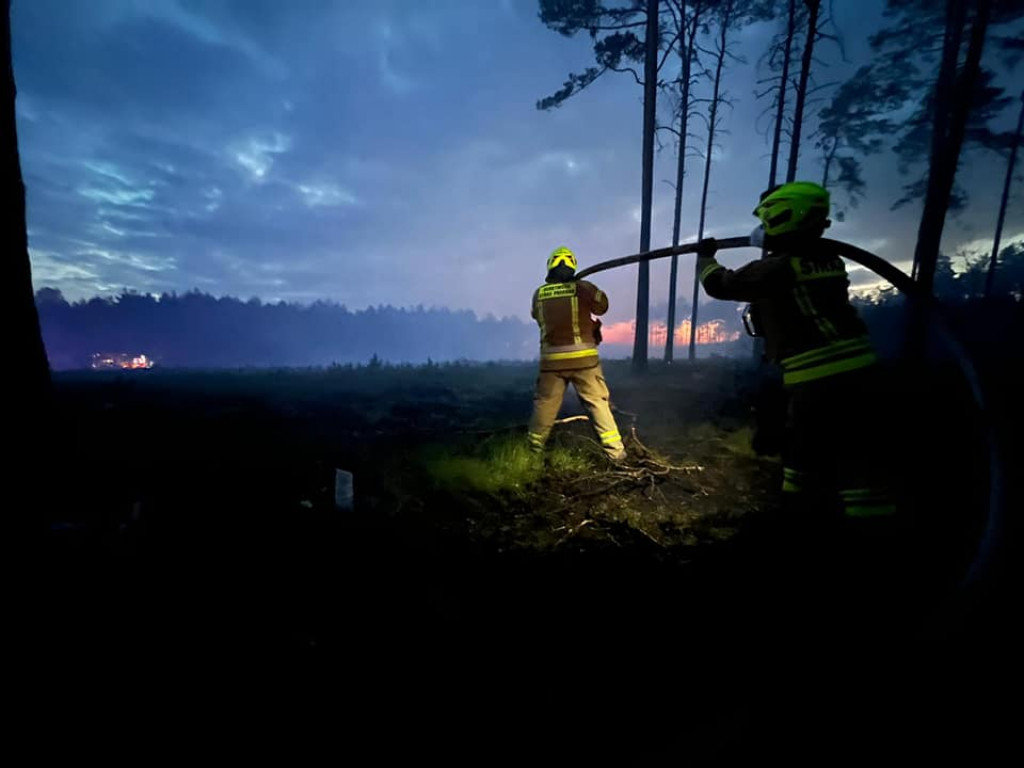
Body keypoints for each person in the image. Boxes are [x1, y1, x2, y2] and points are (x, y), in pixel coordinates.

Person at [695, 182, 894, 519]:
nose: (761, 230)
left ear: (783, 219)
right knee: (857, 451)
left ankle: (801, 516)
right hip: (862, 370)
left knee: (804, 448)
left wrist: (705, 258)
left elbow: (720, 285)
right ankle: (865, 521)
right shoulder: (828, 259)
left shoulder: (780, 267)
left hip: (818, 377)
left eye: (766, 221)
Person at [527, 246, 626, 462]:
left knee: (544, 406)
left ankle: (532, 453)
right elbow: (602, 306)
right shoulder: (583, 288)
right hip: (584, 362)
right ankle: (616, 454)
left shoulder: (539, 294)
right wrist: (586, 288)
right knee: (598, 404)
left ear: (550, 267)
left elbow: (536, 316)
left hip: (552, 363)